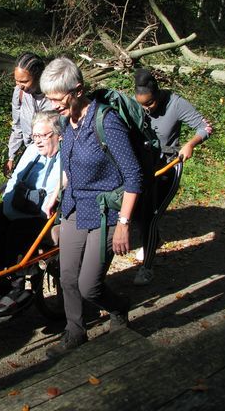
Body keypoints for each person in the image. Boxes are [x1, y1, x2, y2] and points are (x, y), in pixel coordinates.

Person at [40, 58, 142, 359]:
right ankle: (75, 330)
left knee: (89, 287)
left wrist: (123, 223)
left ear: (78, 90)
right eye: (49, 98)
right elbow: (70, 165)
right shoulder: (67, 122)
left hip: (105, 213)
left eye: (57, 99)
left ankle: (119, 307)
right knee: (67, 277)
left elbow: (133, 176)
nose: (52, 105)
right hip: (74, 206)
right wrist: (56, 194)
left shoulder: (107, 122)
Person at [0, 111, 62, 316]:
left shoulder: (66, 154)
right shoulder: (33, 150)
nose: (38, 141)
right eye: (35, 136)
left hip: (48, 213)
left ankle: (16, 286)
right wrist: (9, 202)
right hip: (25, 205)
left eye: (43, 136)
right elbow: (16, 177)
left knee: (18, 229)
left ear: (58, 134)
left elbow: (56, 192)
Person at [132, 68, 213, 285]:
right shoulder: (135, 104)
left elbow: (205, 127)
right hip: (143, 166)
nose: (146, 109)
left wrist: (190, 144)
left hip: (167, 168)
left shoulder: (176, 104)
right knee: (137, 213)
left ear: (157, 95)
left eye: (149, 104)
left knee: (151, 217)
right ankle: (153, 241)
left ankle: (146, 268)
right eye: (142, 105)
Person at [4, 52, 55, 177]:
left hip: (54, 155)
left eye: (24, 81)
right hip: (31, 151)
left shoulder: (55, 96)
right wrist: (11, 156)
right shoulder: (19, 94)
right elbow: (17, 127)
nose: (19, 86)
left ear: (38, 77)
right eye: (17, 81)